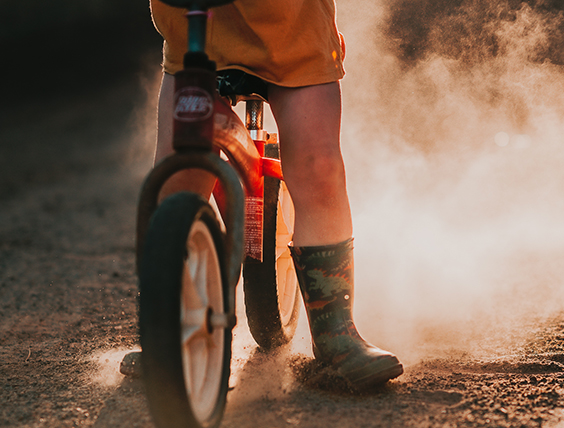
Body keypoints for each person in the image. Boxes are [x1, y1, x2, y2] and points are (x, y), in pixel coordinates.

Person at [128, 0, 402, 390]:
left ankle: (336, 336)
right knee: (179, 174)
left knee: (318, 168)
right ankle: (165, 321)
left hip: (290, 29)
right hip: (197, 26)